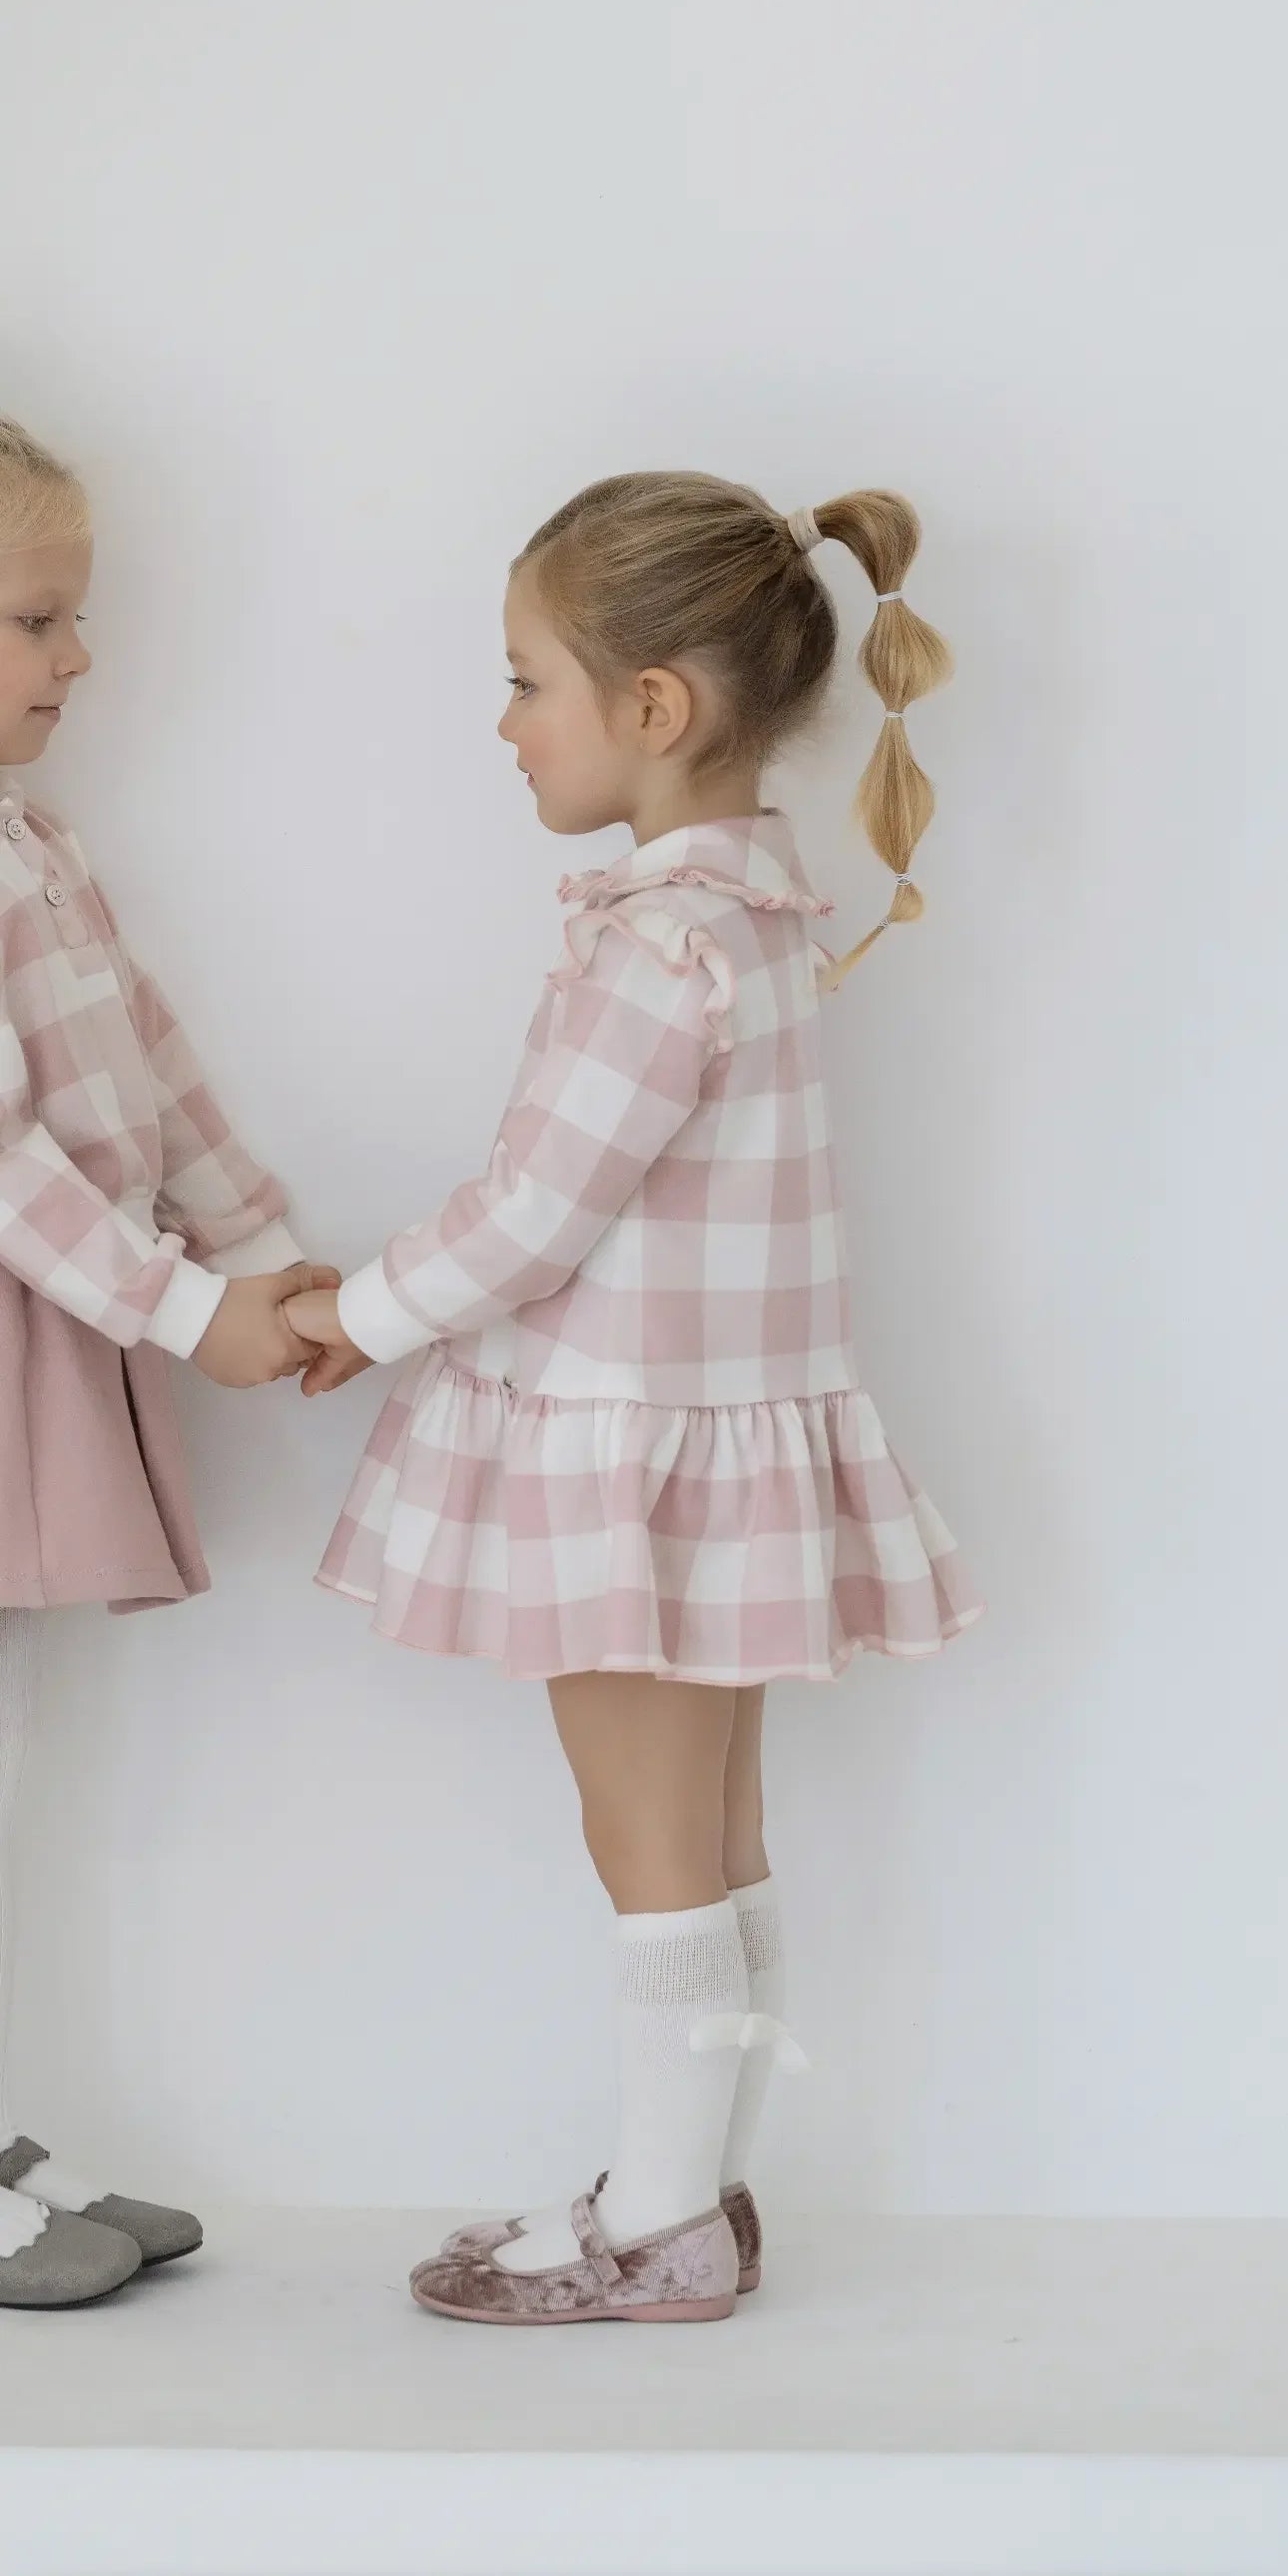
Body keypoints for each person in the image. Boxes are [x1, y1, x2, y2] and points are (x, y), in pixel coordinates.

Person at [288, 469, 981, 2327]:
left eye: (524, 682)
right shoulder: (755, 922)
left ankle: (664, 2216)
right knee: (715, 1834)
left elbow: (533, 1214)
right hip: (716, 1444)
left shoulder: (656, 947)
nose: (503, 726)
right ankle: (685, 2196)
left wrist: (358, 1310)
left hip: (629, 1456)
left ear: (649, 708)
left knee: (653, 1848)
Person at [0, 417, 335, 2307]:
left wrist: (260, 1254)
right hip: (36, 1313)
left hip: (56, 1327)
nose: (80, 661)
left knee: (14, 1756)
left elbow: (151, 1069)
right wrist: (181, 1302)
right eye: (40, 619)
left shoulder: (39, 846)